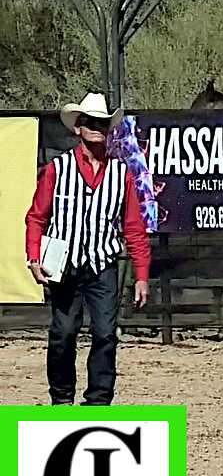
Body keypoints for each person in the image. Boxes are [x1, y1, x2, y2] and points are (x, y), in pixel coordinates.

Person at [25, 93, 151, 406]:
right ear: (78, 127)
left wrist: (141, 275)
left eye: (103, 123)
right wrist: (34, 256)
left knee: (106, 334)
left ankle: (98, 402)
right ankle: (62, 400)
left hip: (102, 266)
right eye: (91, 122)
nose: (97, 128)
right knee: (63, 334)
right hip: (63, 265)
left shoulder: (122, 175)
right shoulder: (57, 169)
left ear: (109, 129)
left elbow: (134, 228)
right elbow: (37, 217)